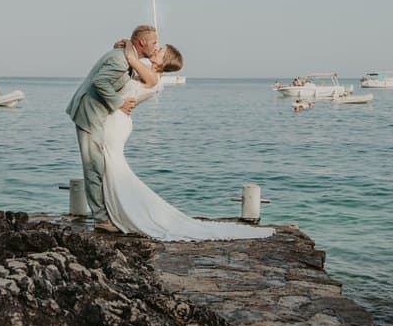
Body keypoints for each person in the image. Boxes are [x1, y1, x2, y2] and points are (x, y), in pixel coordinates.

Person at [100, 42, 275, 241]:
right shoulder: (150, 74)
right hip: (117, 120)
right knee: (111, 167)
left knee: (113, 167)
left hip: (117, 123)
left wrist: (131, 44)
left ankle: (120, 213)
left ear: (164, 61)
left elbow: (131, 58)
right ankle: (116, 211)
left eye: (160, 51)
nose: (155, 50)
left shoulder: (152, 77)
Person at [67, 25, 159, 233]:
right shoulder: (120, 59)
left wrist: (126, 43)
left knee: (99, 164)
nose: (156, 46)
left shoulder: (126, 56)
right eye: (154, 42)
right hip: (89, 114)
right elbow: (101, 81)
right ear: (142, 42)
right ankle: (100, 218)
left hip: (99, 114)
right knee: (93, 165)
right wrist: (118, 102)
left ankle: (105, 212)